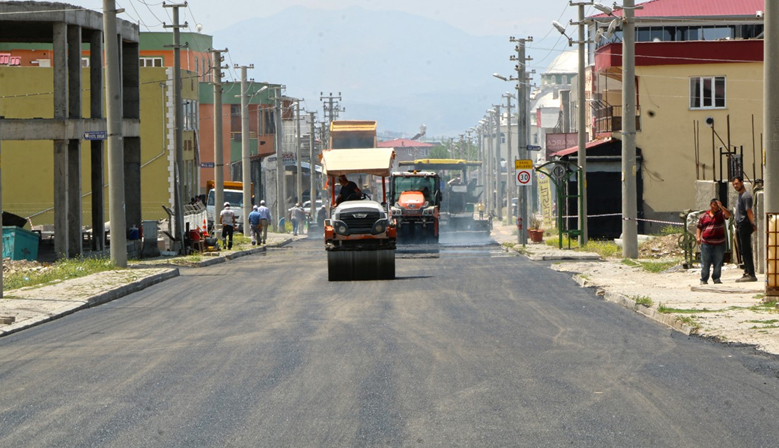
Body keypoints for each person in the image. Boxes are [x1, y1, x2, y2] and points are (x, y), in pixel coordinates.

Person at [696, 198, 731, 285]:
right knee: (705, 262)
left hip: (719, 243)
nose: (716, 207)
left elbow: (728, 215)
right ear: (711, 205)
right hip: (706, 243)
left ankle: (716, 278)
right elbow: (699, 227)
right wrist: (698, 237)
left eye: (717, 205)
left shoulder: (721, 214)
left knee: (718, 262)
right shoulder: (704, 216)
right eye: (714, 205)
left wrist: (722, 207)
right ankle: (704, 279)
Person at [732, 176, 757, 282]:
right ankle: (746, 271)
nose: (735, 186)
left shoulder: (746, 196)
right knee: (743, 250)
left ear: (742, 182)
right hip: (740, 226)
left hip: (745, 225)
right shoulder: (740, 195)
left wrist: (753, 224)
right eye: (734, 184)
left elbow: (749, 211)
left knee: (746, 250)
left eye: (737, 183)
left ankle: (751, 273)